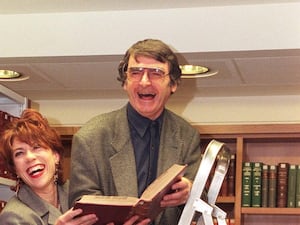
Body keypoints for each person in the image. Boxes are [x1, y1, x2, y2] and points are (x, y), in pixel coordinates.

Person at [69, 39, 202, 225]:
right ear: (125, 82)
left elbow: (201, 203)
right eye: (135, 72)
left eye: (156, 73)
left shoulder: (186, 136)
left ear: (173, 84)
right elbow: (80, 210)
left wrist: (190, 191)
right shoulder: (90, 137)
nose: (144, 81)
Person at [0, 109, 99, 225]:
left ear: (55, 156)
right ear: (15, 168)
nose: (29, 157)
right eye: (19, 153)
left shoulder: (80, 194)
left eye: (36, 147)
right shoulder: (13, 217)